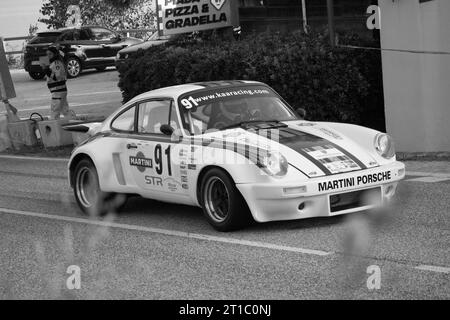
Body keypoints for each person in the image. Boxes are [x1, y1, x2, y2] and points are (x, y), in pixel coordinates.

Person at [40, 47, 75, 120]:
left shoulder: (56, 63)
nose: (48, 56)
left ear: (55, 54)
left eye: (50, 54)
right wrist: (46, 69)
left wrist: (46, 69)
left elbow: (56, 77)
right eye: (47, 54)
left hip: (58, 91)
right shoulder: (54, 63)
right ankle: (73, 121)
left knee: (54, 111)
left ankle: (54, 128)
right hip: (60, 91)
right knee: (65, 110)